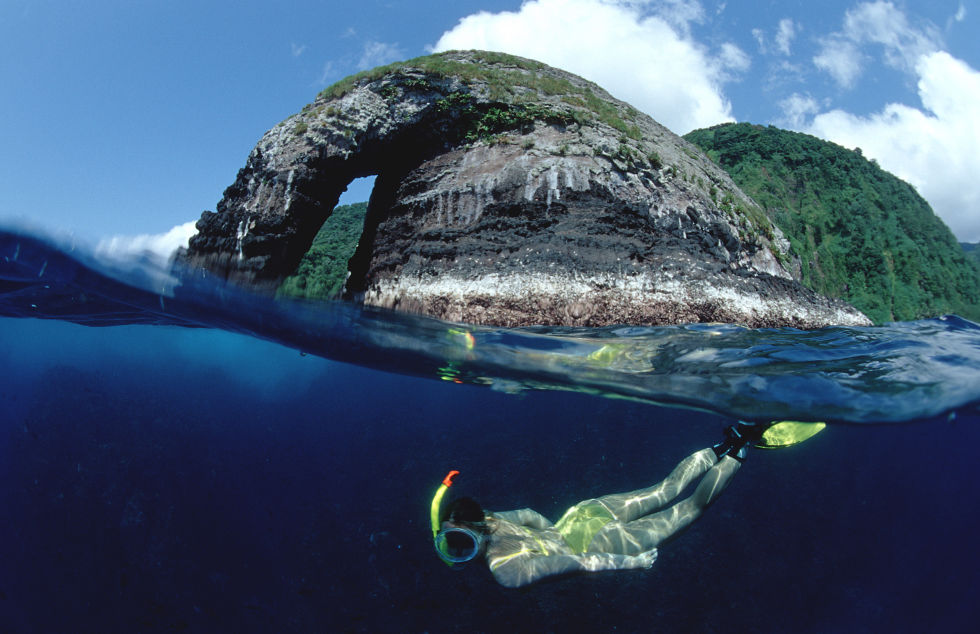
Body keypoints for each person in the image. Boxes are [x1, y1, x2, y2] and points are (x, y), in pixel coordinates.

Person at [430, 420, 824, 588]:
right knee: (666, 488)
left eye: (459, 542)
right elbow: (533, 516)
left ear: (474, 527)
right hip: (582, 516)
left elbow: (577, 562)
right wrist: (554, 533)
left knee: (689, 509)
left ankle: (741, 448)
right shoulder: (493, 517)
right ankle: (725, 441)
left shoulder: (506, 572)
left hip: (595, 545)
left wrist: (630, 563)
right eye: (454, 546)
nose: (460, 551)